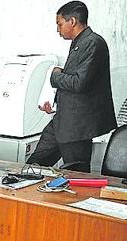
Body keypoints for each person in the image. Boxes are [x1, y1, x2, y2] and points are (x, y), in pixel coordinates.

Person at [27, 1, 116, 172]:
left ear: (72, 21)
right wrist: (53, 101)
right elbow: (73, 80)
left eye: (59, 24)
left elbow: (78, 82)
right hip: (62, 120)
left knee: (77, 175)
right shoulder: (79, 43)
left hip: (78, 126)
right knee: (33, 165)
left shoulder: (94, 43)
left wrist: (55, 76)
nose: (58, 29)